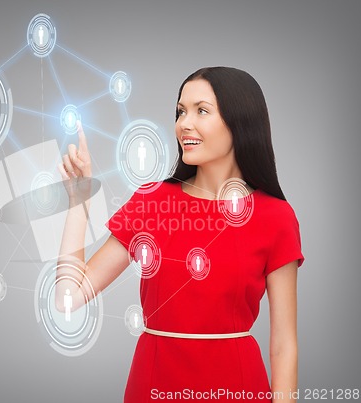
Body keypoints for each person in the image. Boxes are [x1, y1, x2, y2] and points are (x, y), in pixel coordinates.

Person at [57, 67, 304, 402]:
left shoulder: (275, 216)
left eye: (201, 111)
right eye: (180, 111)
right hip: (153, 386)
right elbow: (68, 298)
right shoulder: (151, 201)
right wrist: (78, 201)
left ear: (240, 122)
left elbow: (284, 345)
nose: (184, 123)